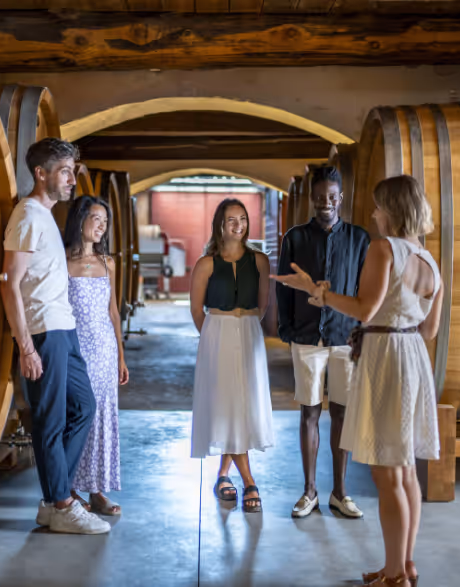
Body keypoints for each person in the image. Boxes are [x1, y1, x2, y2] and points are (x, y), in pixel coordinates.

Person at [273, 175, 444, 587]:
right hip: (413, 357)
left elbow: (365, 309)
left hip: (386, 359)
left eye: (379, 207)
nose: (373, 214)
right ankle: (402, 566)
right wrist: (395, 326)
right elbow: (430, 330)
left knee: (388, 475)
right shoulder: (428, 258)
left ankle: (396, 575)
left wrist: (320, 293)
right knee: (405, 472)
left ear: (393, 210)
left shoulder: (385, 249)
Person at [1, 138, 111, 535]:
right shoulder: (28, 215)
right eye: (65, 171)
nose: (72, 179)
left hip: (65, 329)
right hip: (43, 331)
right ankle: (62, 503)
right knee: (49, 420)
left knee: (84, 406)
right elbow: (9, 285)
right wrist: (26, 346)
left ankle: (54, 497)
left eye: (73, 171)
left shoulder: (46, 216)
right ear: (41, 173)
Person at [276, 165, 370, 520]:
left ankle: (341, 493)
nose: (325, 203)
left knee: (342, 414)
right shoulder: (295, 238)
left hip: (345, 338)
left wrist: (361, 330)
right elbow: (283, 284)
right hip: (306, 338)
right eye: (319, 198)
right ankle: (309, 491)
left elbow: (366, 291)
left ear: (340, 198)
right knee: (309, 413)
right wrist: (287, 328)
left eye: (331, 197)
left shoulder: (360, 239)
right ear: (312, 200)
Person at [189, 198, 274, 513]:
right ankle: (249, 481)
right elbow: (197, 310)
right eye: (230, 220)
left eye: (242, 219)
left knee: (241, 404)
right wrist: (213, 336)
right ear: (220, 226)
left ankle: (224, 475)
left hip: (249, 331)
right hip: (218, 334)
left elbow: (263, 304)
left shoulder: (261, 261)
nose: (237, 225)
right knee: (226, 402)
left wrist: (246, 325)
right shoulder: (206, 264)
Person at [64, 195, 129, 516]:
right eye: (96, 218)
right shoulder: (61, 262)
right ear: (80, 220)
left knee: (102, 418)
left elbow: (113, 312)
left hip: (103, 350)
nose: (102, 226)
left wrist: (120, 355)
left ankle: (98, 491)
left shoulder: (108, 263)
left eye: (105, 221)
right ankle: (69, 490)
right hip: (74, 352)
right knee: (75, 418)